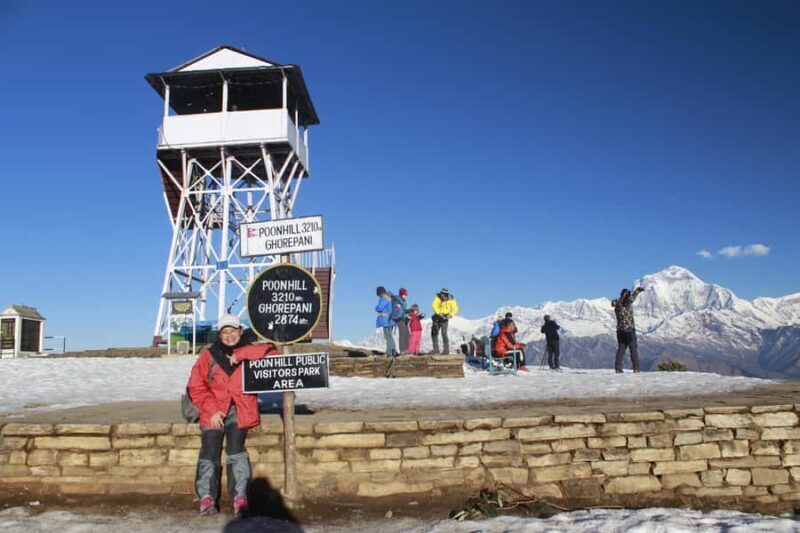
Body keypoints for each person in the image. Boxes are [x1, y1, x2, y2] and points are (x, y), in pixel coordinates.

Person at [187, 314, 278, 518]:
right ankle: (207, 497)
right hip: (213, 411)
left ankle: (240, 497)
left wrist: (243, 353)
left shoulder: (251, 348)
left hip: (240, 410)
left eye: (233, 331)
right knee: (209, 452)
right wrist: (212, 411)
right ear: (219, 334)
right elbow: (196, 386)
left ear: (240, 331)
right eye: (225, 332)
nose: (229, 336)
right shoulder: (208, 355)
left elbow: (273, 353)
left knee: (236, 451)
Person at [612, 287, 645, 373]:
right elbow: (632, 298)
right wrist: (637, 291)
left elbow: (614, 302)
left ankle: (618, 368)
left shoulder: (617, 305)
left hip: (620, 331)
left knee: (621, 349)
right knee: (633, 349)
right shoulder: (627, 304)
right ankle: (636, 368)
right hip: (629, 330)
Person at [431, 288, 459, 354]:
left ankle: (446, 351)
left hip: (446, 317)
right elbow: (434, 305)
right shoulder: (437, 298)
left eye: (444, 296)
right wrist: (439, 313)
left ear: (447, 295)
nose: (442, 297)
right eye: (441, 295)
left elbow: (456, 308)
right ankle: (436, 350)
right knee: (434, 333)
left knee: (444, 333)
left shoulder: (451, 299)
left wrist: (450, 315)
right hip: (437, 316)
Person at [375, 286, 397, 356]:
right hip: (392, 319)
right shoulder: (390, 296)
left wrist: (376, 308)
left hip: (386, 319)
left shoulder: (384, 297)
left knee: (388, 336)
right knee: (390, 336)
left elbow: (380, 308)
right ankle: (391, 351)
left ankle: (391, 352)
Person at [394, 288, 410, 354]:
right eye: (404, 294)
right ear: (401, 294)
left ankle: (406, 348)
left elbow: (404, 310)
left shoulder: (404, 301)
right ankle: (402, 349)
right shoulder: (397, 301)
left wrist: (407, 316)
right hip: (400, 319)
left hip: (404, 319)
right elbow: (397, 310)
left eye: (406, 295)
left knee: (407, 334)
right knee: (402, 334)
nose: (405, 296)